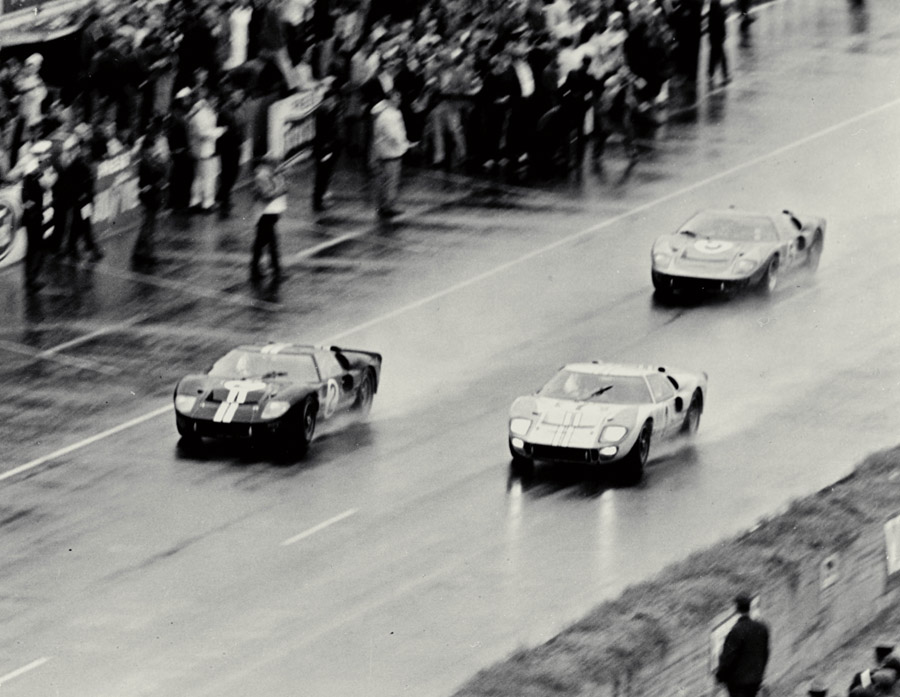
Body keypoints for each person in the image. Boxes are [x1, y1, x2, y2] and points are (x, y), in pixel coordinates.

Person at [716, 593, 770, 697]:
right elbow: (765, 653)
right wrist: (759, 674)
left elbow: (728, 659)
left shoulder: (736, 631)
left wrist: (719, 677)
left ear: (736, 609)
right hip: (755, 681)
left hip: (738, 684)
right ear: (749, 607)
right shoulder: (762, 628)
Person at [370, 90, 410, 220]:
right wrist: (404, 144)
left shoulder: (386, 114)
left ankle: (382, 205)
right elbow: (394, 135)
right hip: (391, 152)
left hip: (383, 151)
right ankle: (388, 206)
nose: (398, 101)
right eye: (395, 99)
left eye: (399, 99)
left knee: (384, 180)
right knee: (391, 181)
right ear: (388, 100)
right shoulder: (389, 116)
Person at [134, 129, 169, 267]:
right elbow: (157, 173)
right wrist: (159, 162)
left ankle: (139, 250)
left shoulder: (149, 159)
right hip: (150, 196)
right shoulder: (146, 161)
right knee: (150, 226)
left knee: (147, 225)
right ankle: (148, 253)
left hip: (151, 195)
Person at [250, 156, 287, 282]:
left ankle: (256, 270)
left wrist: (280, 179)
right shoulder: (262, 176)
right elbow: (267, 195)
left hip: (271, 213)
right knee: (270, 243)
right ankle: (276, 271)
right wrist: (280, 189)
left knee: (261, 243)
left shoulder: (272, 174)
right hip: (265, 214)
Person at [215, 87, 245, 219]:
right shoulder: (224, 111)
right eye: (235, 96)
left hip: (237, 145)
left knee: (234, 172)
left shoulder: (241, 109)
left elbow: (242, 126)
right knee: (227, 173)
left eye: (239, 96)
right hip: (227, 147)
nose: (237, 98)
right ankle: (224, 201)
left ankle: (222, 195)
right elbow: (221, 130)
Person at [312, 82, 341, 213]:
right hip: (324, 148)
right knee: (322, 175)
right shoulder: (322, 112)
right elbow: (322, 132)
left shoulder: (332, 110)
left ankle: (321, 198)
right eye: (332, 100)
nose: (334, 102)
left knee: (326, 175)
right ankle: (317, 201)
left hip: (331, 147)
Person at [706, 0, 730, 87]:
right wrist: (723, 34)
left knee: (713, 54)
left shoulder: (713, 7)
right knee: (721, 55)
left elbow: (711, 22)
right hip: (718, 35)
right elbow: (721, 22)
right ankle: (725, 74)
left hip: (714, 35)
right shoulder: (718, 8)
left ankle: (711, 73)